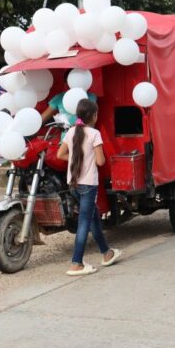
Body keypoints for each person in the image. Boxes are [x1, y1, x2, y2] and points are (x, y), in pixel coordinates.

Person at [57, 99, 122, 275]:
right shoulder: (94, 133)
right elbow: (100, 161)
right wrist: (90, 158)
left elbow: (60, 154)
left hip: (73, 183)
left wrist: (74, 160)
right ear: (94, 115)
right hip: (88, 184)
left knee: (92, 218)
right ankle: (76, 263)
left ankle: (106, 253)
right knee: (84, 222)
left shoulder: (71, 132)